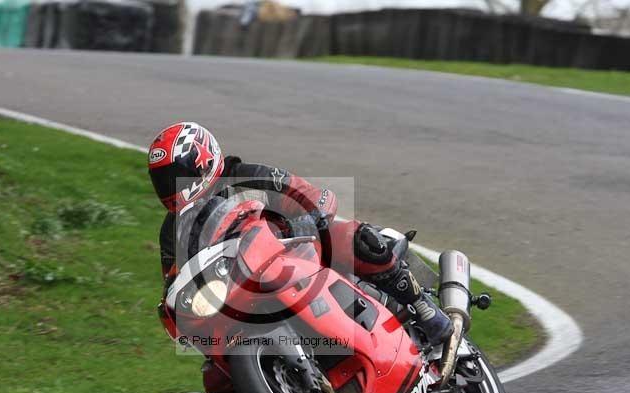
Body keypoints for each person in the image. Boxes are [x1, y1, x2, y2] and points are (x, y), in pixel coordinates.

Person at [149, 122, 453, 346]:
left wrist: (309, 220)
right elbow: (176, 281)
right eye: (161, 180)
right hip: (243, 290)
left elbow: (308, 195)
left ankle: (421, 306)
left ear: (202, 160)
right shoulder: (172, 232)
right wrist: (175, 310)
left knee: (354, 239)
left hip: (297, 252)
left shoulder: (246, 176)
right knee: (217, 381)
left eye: (174, 175)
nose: (168, 186)